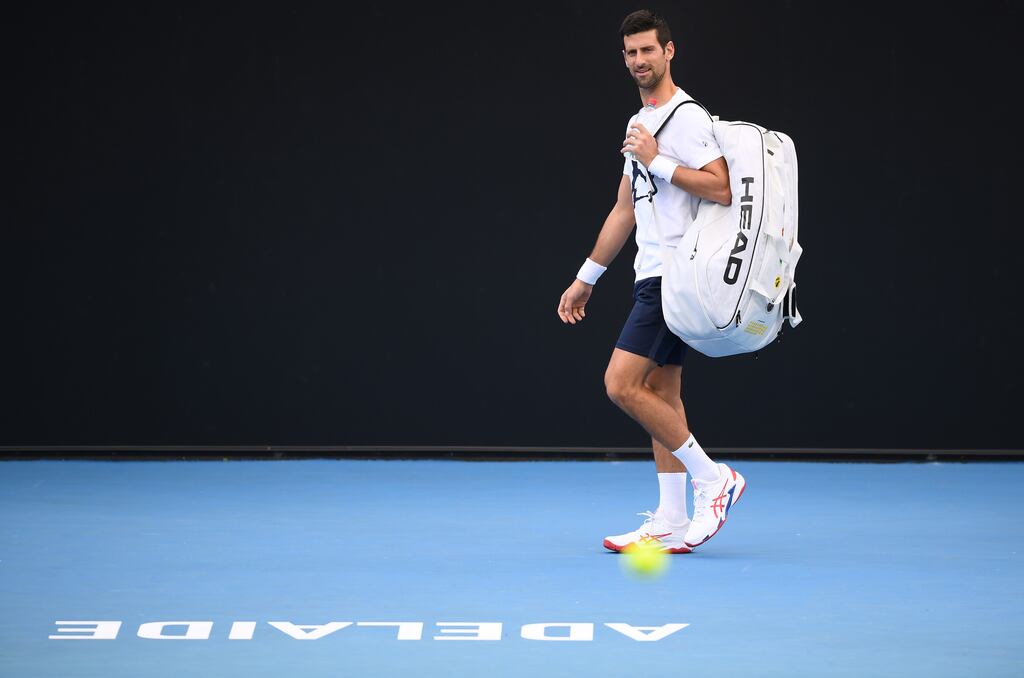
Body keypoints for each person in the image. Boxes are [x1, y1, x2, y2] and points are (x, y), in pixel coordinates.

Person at [557, 9, 746, 553]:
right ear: (624, 59)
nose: (640, 60)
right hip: (650, 274)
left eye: (649, 50)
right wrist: (586, 278)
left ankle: (715, 480)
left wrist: (658, 160)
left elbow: (721, 188)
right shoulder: (638, 124)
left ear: (669, 52)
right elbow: (623, 210)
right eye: (631, 52)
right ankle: (669, 517)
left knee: (620, 384)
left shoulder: (686, 117)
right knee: (661, 393)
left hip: (678, 276)